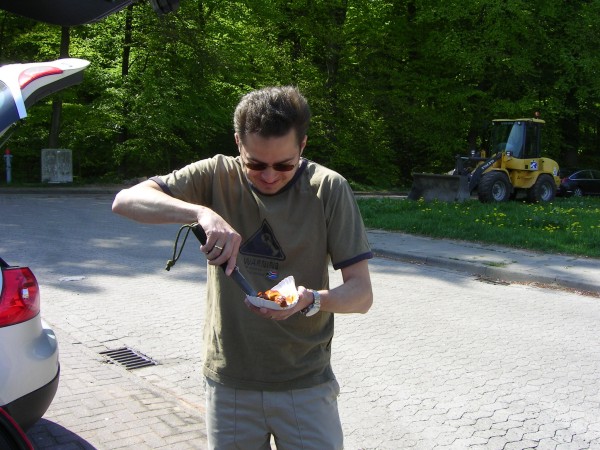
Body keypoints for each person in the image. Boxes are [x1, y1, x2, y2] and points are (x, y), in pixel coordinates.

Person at [112, 85, 373, 450]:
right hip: (230, 383)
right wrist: (200, 213)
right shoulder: (216, 174)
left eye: (284, 165)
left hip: (304, 383)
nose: (269, 176)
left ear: (303, 146)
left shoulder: (328, 188)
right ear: (238, 143)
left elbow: (361, 294)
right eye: (255, 164)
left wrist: (312, 299)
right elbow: (126, 201)